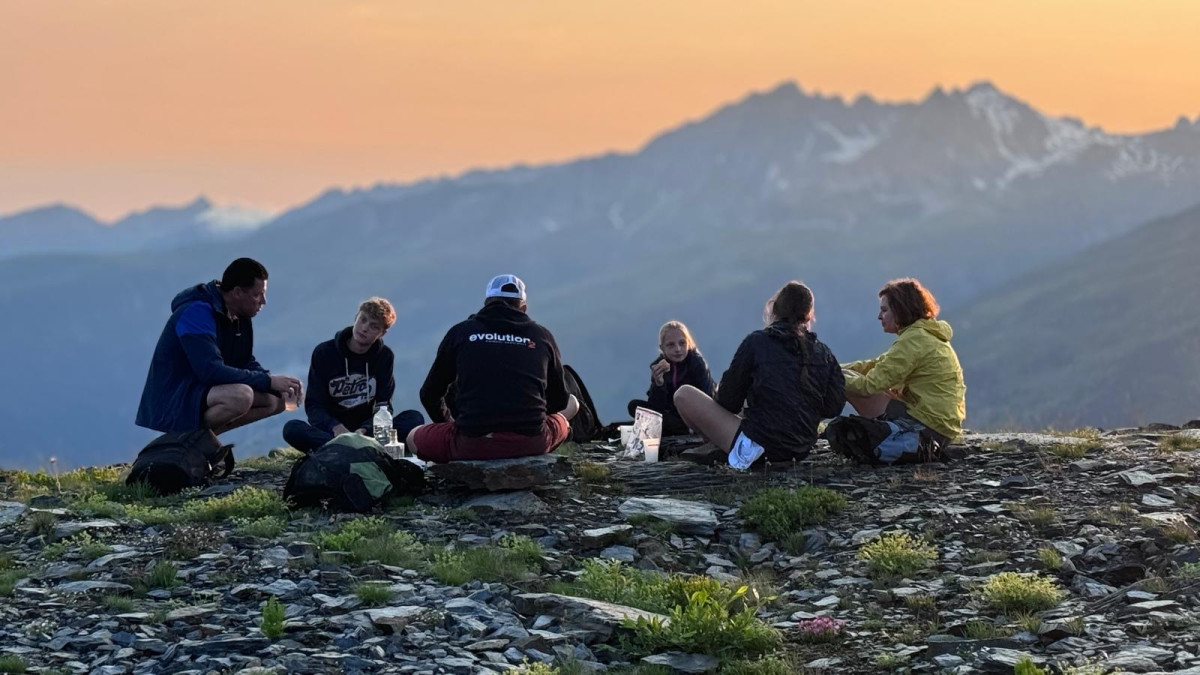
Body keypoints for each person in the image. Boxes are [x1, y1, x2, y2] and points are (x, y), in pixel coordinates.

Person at [408, 274, 579, 462]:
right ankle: (563, 425)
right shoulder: (542, 336)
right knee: (572, 406)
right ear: (523, 308)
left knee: (412, 436)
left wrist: (450, 425)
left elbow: (429, 393)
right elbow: (558, 400)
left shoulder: (462, 332)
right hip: (533, 442)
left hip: (473, 444)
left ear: (486, 303)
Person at [673, 281, 845, 467]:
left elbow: (728, 401)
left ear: (773, 309)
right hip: (800, 448)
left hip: (759, 447)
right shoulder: (824, 353)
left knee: (683, 395)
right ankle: (728, 449)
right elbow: (833, 408)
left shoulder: (756, 342)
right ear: (809, 315)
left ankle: (728, 450)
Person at [136, 258, 301, 436]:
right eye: (257, 295)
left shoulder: (239, 315)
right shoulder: (196, 312)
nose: (263, 301)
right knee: (241, 396)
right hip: (175, 397)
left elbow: (243, 360)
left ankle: (201, 443)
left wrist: (276, 385)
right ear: (237, 292)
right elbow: (210, 371)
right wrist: (268, 381)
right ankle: (187, 442)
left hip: (201, 393)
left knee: (275, 401)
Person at [840, 278, 966, 455]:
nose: (879, 316)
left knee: (847, 383)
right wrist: (831, 367)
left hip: (927, 427)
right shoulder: (922, 335)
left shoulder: (913, 340)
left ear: (899, 310)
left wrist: (830, 375)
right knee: (843, 375)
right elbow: (875, 365)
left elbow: (868, 385)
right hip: (940, 426)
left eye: (884, 310)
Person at [282, 297, 424, 454]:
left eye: (373, 326)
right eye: (363, 320)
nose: (364, 328)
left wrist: (364, 430)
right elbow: (314, 406)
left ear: (382, 333)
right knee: (292, 428)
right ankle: (358, 450)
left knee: (414, 418)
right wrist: (335, 427)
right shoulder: (324, 353)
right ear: (356, 317)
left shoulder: (384, 356)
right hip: (332, 433)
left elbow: (384, 405)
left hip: (368, 433)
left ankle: (346, 451)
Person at [626, 321, 715, 436]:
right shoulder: (659, 367)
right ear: (662, 348)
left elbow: (708, 399)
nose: (678, 349)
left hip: (695, 417)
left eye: (682, 343)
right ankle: (670, 429)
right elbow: (655, 407)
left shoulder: (696, 364)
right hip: (672, 418)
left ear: (689, 344)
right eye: (671, 345)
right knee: (634, 406)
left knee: (656, 423)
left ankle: (683, 430)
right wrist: (659, 384)